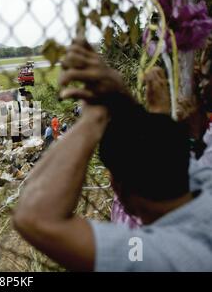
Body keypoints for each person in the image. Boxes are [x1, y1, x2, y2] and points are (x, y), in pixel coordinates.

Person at [13, 38, 212, 271]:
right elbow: (165, 147)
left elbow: (34, 217)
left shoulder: (152, 255)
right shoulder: (204, 187)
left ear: (120, 191)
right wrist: (122, 100)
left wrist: (94, 116)